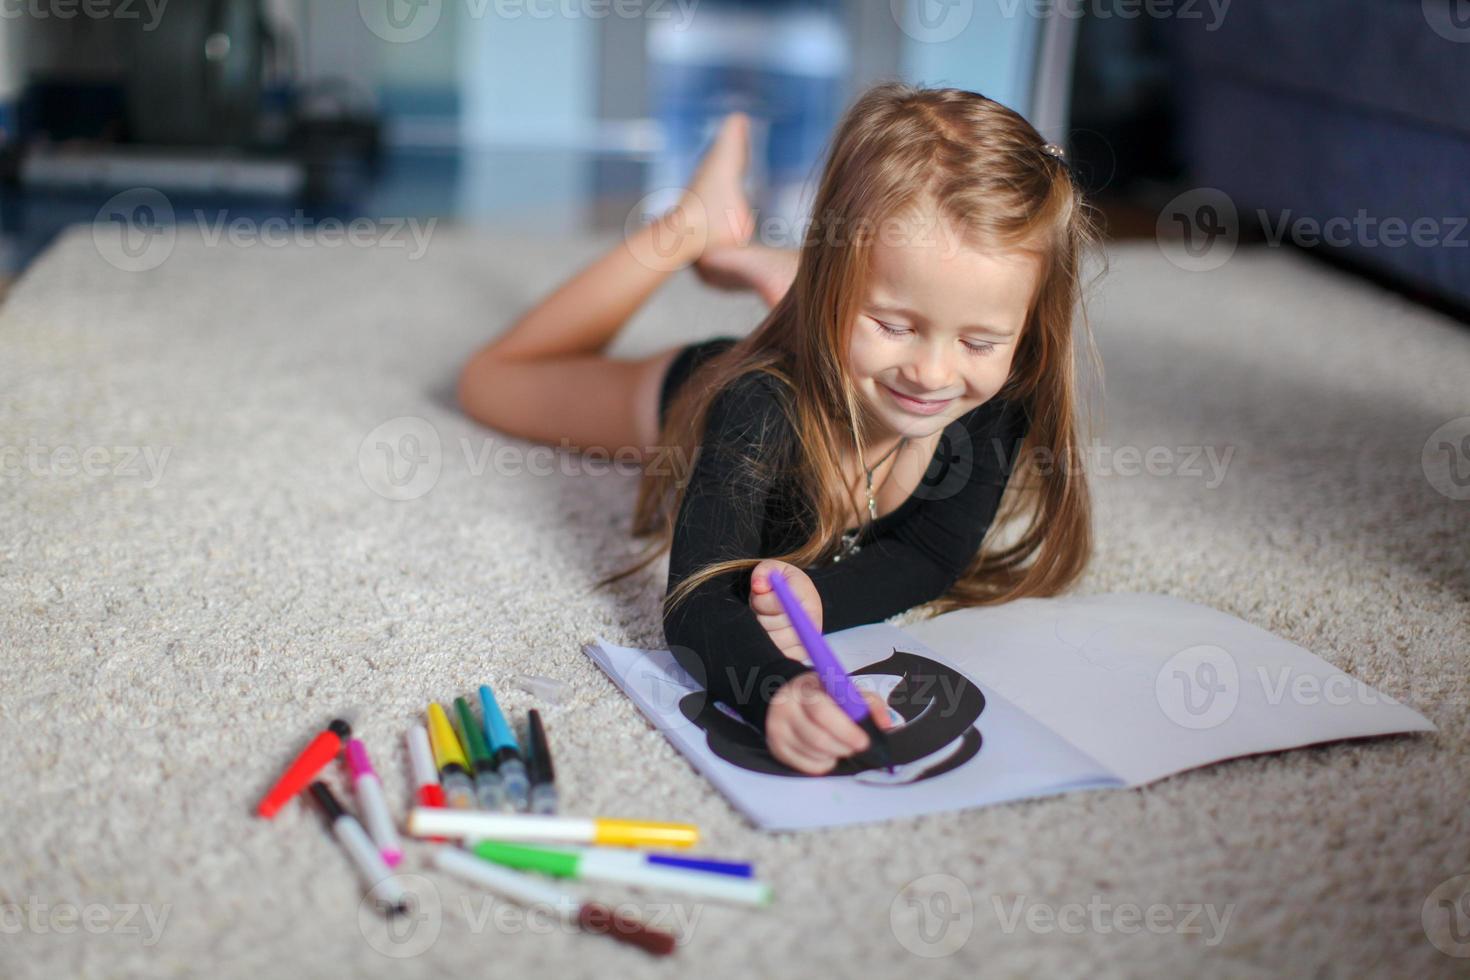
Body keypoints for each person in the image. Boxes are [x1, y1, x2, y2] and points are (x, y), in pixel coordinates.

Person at [457, 82, 1103, 776]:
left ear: (1027, 327)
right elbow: (696, 598)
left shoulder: (998, 400)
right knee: (489, 380)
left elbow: (930, 555)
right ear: (836, 284)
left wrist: (825, 596)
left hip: (828, 327)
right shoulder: (755, 405)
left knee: (921, 343)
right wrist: (777, 690)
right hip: (692, 394)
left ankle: (806, 290)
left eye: (979, 342)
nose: (933, 373)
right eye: (894, 325)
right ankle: (692, 225)